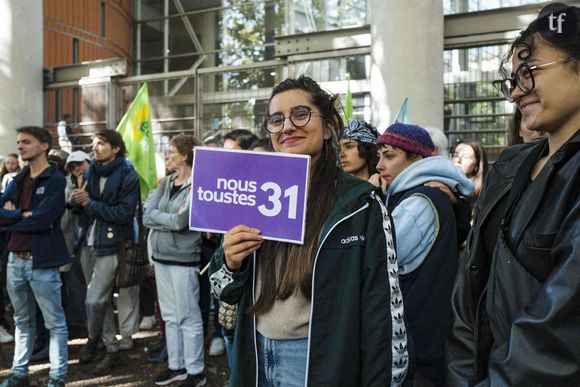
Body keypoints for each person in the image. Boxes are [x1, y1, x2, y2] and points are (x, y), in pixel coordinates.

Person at [209, 75, 408, 386]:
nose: (287, 126)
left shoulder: (360, 204)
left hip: (318, 362)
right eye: (276, 119)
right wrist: (230, 262)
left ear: (328, 127)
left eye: (300, 114)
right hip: (256, 355)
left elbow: (383, 309)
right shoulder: (252, 193)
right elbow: (223, 292)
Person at [447, 7, 580, 385]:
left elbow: (559, 333)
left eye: (530, 72)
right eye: (513, 78)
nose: (517, 91)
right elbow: (468, 294)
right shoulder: (510, 166)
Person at [375, 123, 474, 387]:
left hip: (418, 344)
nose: (379, 166)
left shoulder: (417, 203)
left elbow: (378, 260)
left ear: (416, 159)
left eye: (389, 155)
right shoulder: (426, 194)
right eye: (379, 156)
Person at [0, 126, 71, 387]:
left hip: (41, 263)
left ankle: (57, 377)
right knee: (22, 321)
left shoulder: (55, 180)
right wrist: (21, 215)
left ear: (43, 146)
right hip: (14, 260)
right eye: (18, 142)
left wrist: (11, 217)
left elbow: (43, 220)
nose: (20, 146)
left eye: (26, 142)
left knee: (55, 323)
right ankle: (20, 374)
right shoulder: (18, 179)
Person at [71, 129, 140, 376]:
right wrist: (76, 201)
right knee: (99, 300)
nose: (95, 147)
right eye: (93, 143)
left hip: (112, 244)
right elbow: (84, 210)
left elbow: (123, 213)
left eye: (101, 143)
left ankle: (94, 339)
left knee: (95, 299)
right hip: (88, 240)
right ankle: (110, 346)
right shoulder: (90, 172)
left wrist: (90, 203)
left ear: (116, 148)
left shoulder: (128, 175)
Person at [144, 134, 206, 386]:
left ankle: (195, 371)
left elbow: (183, 222)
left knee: (188, 316)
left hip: (183, 259)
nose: (167, 156)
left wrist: (162, 218)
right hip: (161, 258)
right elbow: (146, 215)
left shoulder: (199, 184)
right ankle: (176, 366)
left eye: (171, 151)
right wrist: (167, 219)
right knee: (170, 316)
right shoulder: (167, 181)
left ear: (185, 155)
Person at [451, 140, 488, 206]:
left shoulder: (485, 193)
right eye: (456, 155)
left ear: (476, 165)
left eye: (466, 157)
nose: (458, 160)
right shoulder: (444, 184)